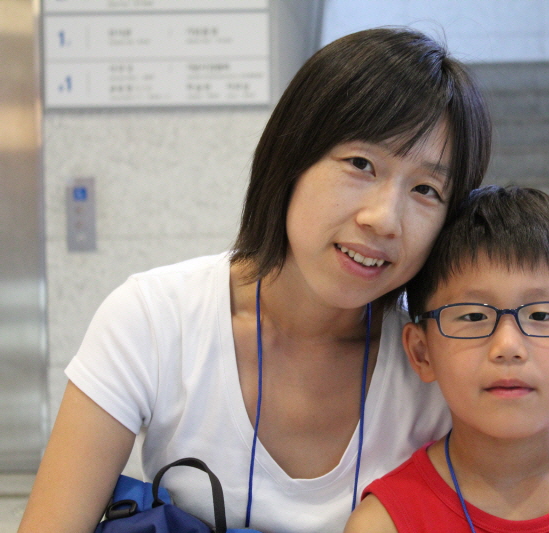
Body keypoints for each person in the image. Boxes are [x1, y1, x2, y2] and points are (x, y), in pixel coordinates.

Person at [18, 27, 491, 533]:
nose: (384, 219)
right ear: (291, 158)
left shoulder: (437, 366)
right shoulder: (154, 319)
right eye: (361, 164)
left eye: (426, 190)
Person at [344, 186, 549, 533]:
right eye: (473, 316)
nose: (507, 346)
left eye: (541, 315)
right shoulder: (383, 524)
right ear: (422, 352)